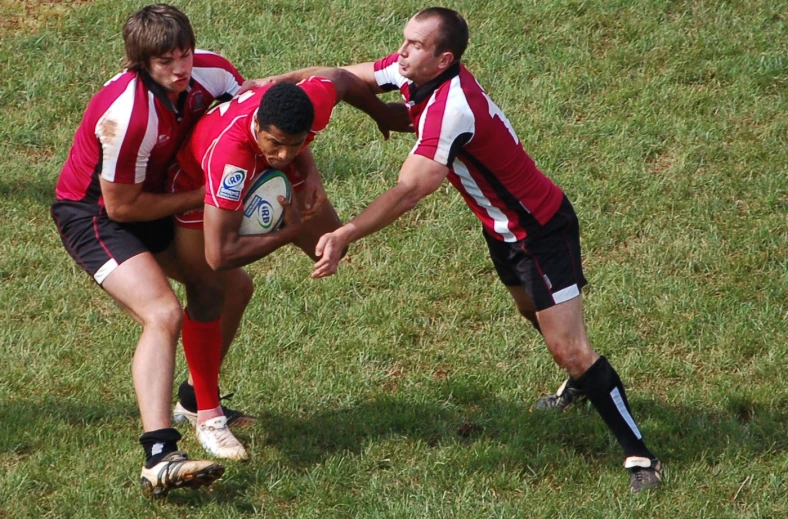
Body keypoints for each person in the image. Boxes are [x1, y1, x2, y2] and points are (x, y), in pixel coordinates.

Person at [290, 7, 662, 493]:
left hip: (538, 233)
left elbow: (409, 190)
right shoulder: (411, 72)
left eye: (415, 46)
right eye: (403, 41)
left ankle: (642, 457)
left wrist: (344, 234)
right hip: (503, 230)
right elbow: (339, 77)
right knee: (533, 313)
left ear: (443, 59)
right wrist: (265, 86)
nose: (401, 52)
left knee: (570, 348)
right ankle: (579, 382)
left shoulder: (452, 109)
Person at [49, 3, 252, 496]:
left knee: (233, 288)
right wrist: (206, 193)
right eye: (166, 62)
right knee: (162, 314)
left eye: (184, 54)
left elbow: (249, 117)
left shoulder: (214, 72)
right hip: (96, 215)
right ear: (142, 63)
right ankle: (160, 453)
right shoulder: (128, 115)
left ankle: (195, 398)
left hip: (156, 196)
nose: (181, 68)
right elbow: (121, 207)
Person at [167, 69, 411, 459]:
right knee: (218, 289)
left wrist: (377, 116)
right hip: (196, 190)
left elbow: (341, 80)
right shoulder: (229, 158)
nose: (284, 155)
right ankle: (206, 415)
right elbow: (219, 254)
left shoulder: (308, 110)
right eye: (276, 143)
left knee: (327, 245)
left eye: (294, 144)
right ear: (259, 124)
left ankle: (196, 397)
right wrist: (284, 230)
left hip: (256, 172)